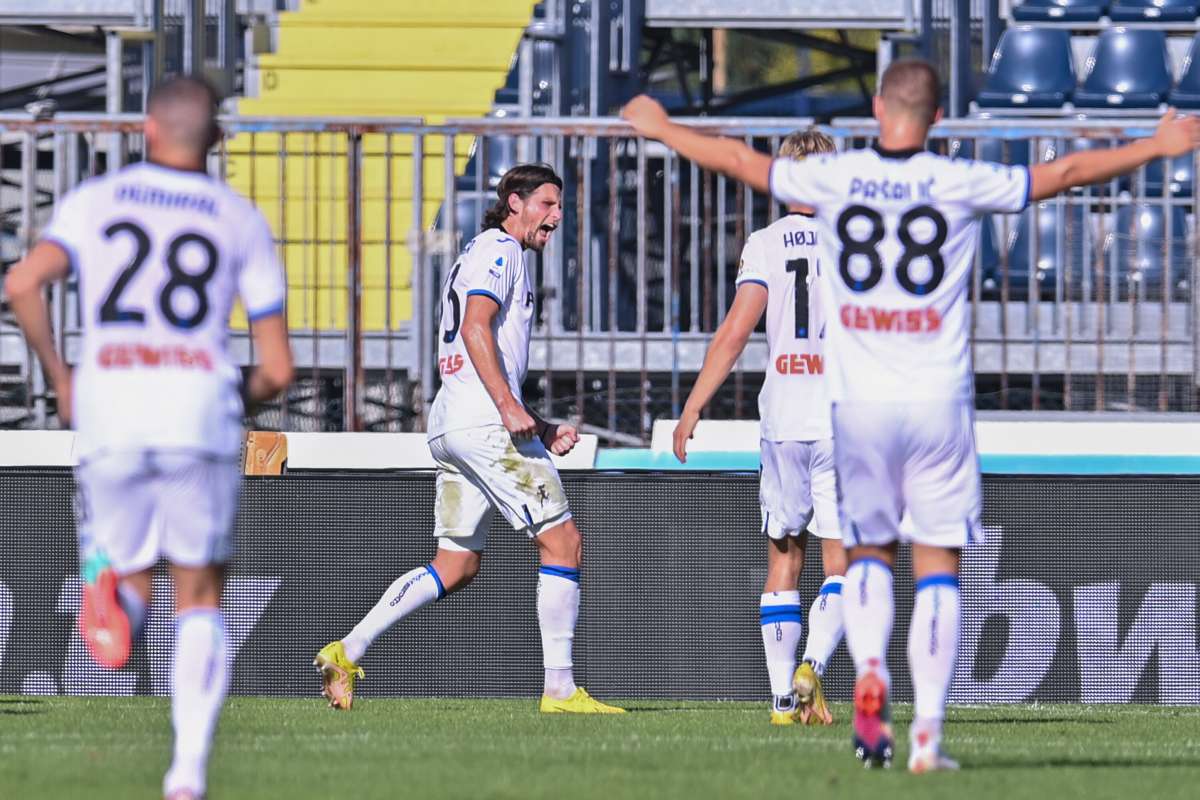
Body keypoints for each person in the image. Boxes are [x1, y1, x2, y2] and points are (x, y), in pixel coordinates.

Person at [623, 60, 1200, 771]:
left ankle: (867, 677)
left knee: (865, 557)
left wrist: (663, 127)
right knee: (937, 568)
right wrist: (1154, 145)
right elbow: (1067, 172)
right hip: (935, 401)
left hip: (859, 405)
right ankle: (925, 732)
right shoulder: (957, 179)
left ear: (876, 109)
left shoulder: (838, 181)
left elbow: (739, 161)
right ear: (938, 117)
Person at [5, 75, 294, 799]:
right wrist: (231, 396)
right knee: (198, 591)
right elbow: (278, 369)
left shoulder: (94, 200)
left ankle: (115, 603)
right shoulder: (238, 216)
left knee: (131, 572)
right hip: (195, 410)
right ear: (216, 139)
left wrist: (62, 378)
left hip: (111, 409)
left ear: (147, 128)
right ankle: (187, 775)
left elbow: (22, 283)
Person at [314, 164, 624, 715]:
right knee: (563, 543)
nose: (557, 216)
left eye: (560, 206)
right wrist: (508, 408)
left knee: (456, 564)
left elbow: (480, 346)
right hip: (484, 423)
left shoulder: (480, 252)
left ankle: (348, 649)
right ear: (514, 202)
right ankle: (560, 689)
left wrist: (539, 425)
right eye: (547, 204)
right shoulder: (502, 252)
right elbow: (476, 326)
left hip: (453, 421)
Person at [673, 129, 847, 727]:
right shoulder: (856, 241)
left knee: (783, 560)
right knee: (844, 564)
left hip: (784, 418)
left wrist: (694, 406)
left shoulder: (765, 243)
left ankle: (780, 702)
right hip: (842, 418)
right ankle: (813, 667)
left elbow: (733, 333)